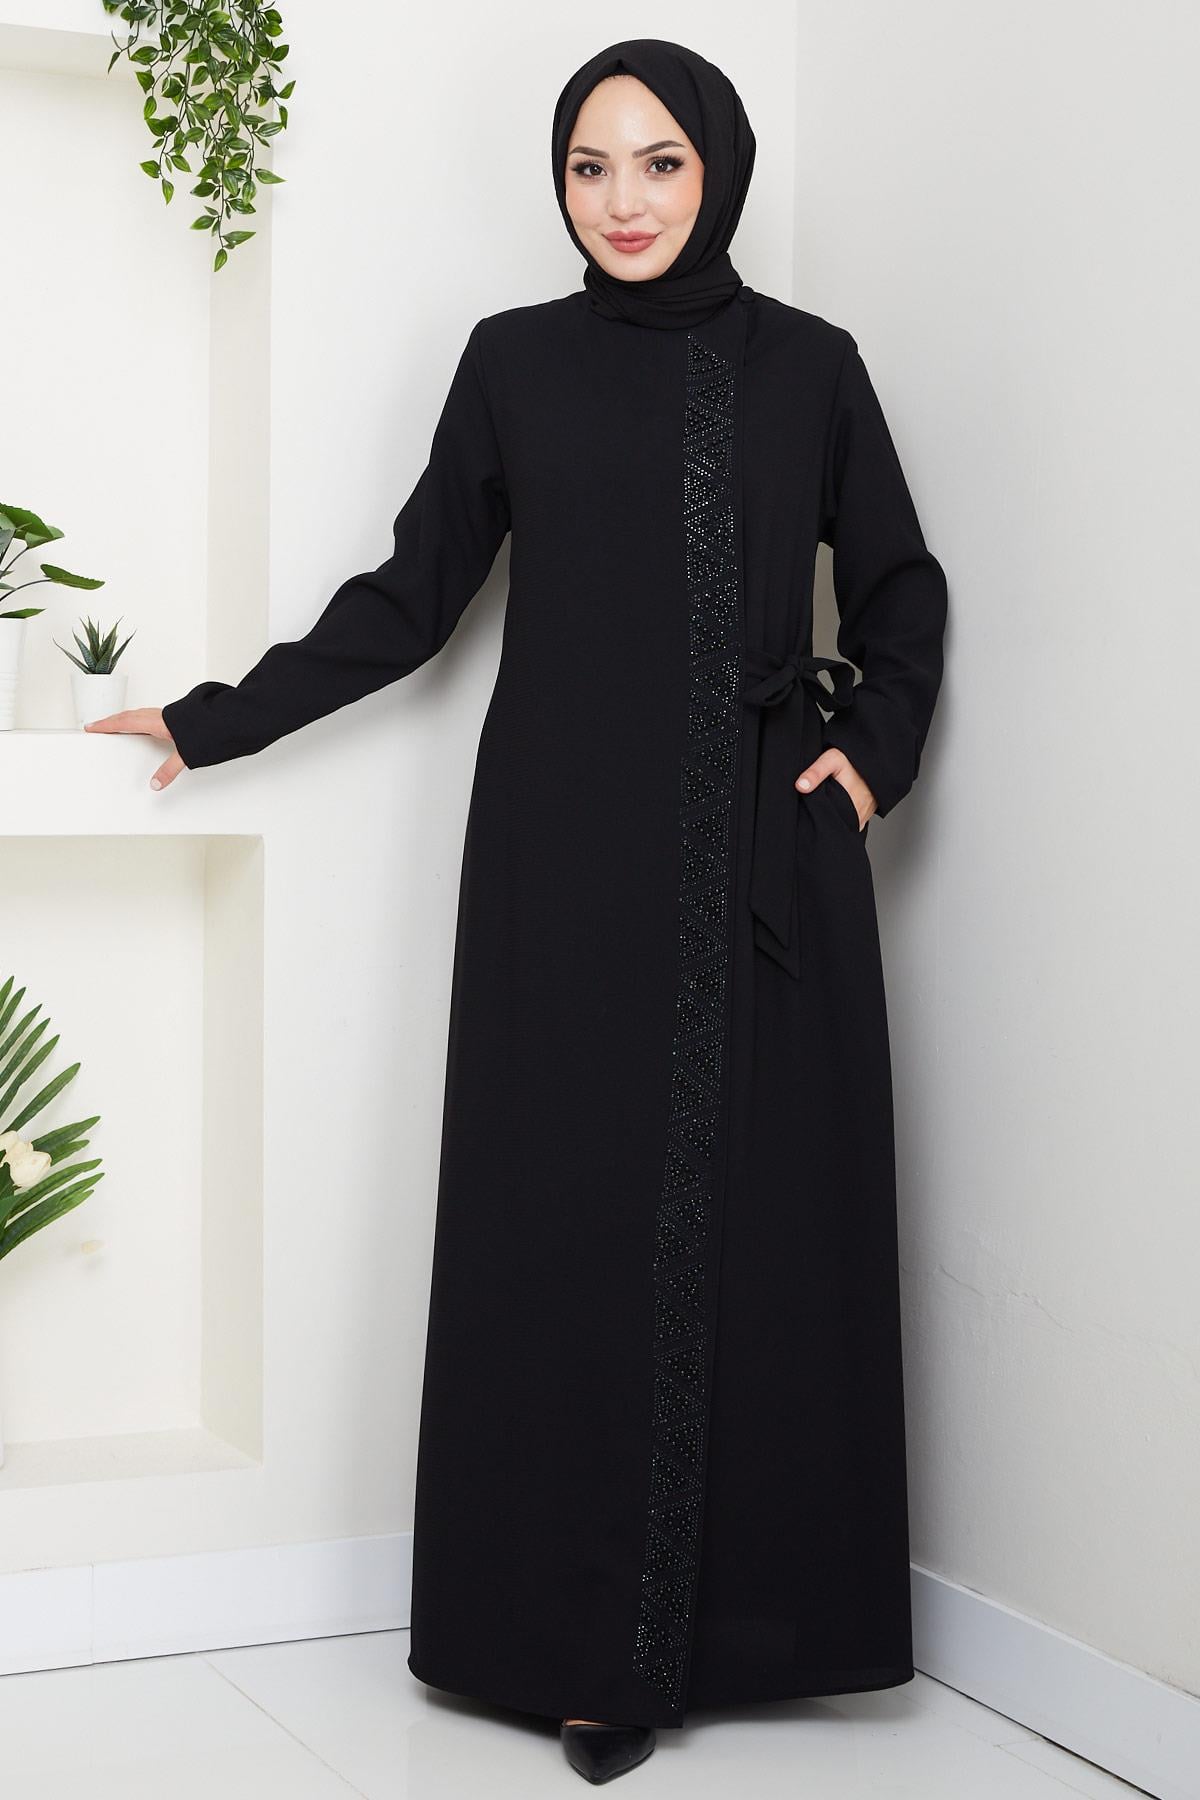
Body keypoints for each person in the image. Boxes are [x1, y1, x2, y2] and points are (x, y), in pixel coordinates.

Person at [86, 36, 948, 1789]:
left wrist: (865, 763)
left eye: (660, 163)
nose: (623, 201)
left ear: (720, 169)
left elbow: (903, 587)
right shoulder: (513, 364)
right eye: (589, 166)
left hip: (767, 871)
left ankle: (748, 1635)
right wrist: (211, 718)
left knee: (761, 1235)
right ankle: (576, 1648)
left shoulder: (812, 368)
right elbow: (412, 594)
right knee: (563, 1230)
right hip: (566, 865)